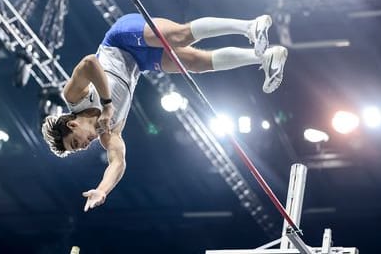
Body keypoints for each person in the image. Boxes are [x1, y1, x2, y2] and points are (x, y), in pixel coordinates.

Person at [41, 13, 288, 212]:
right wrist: (102, 190)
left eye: (76, 143)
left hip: (120, 39)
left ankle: (249, 26)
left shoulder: (74, 97)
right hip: (139, 63)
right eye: (78, 149)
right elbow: (118, 162)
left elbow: (89, 63)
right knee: (195, 63)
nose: (84, 147)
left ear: (72, 124)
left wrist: (107, 104)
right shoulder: (109, 133)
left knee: (178, 36)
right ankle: (264, 59)